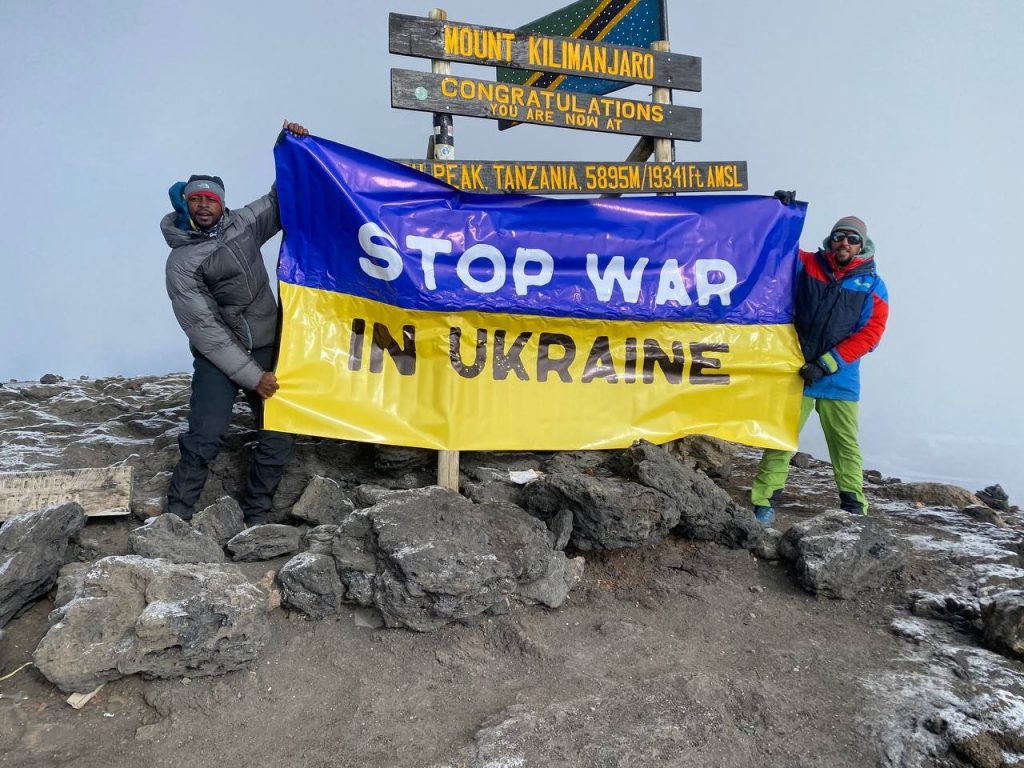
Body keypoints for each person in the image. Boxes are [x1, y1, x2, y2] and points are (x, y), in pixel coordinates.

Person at [161, 120, 309, 523]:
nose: (204, 205)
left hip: (267, 343)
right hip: (219, 360)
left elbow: (281, 199)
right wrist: (252, 376)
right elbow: (205, 331)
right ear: (186, 206)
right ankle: (175, 517)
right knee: (204, 438)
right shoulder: (181, 263)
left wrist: (290, 146)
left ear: (222, 203)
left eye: (211, 198)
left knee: (278, 436)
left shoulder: (244, 223)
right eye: (196, 200)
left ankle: (256, 517)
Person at [751, 209, 889, 525]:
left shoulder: (873, 286)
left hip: (840, 379)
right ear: (831, 239)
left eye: (853, 239)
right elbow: (777, 249)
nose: (845, 242)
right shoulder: (807, 264)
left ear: (862, 245)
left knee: (844, 445)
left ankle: (854, 506)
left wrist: (827, 364)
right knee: (781, 439)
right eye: (840, 236)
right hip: (797, 372)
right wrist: (780, 214)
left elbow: (871, 335)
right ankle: (764, 500)